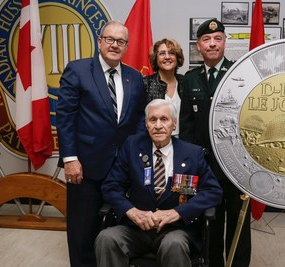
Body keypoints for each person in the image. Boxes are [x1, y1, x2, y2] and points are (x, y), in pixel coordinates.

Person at [56, 20, 146, 267]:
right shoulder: (78, 70)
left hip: (122, 169)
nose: (115, 45)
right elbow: (65, 117)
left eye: (120, 41)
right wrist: (70, 159)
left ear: (127, 46)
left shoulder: (135, 77)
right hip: (85, 166)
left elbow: (139, 118)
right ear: (99, 41)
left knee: (115, 231)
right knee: (83, 231)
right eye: (110, 39)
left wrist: (134, 155)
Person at [95, 99, 222, 267]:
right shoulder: (132, 146)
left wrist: (179, 212)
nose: (158, 125)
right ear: (146, 124)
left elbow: (213, 191)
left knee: (174, 244)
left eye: (164, 119)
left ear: (174, 124)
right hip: (136, 229)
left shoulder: (192, 153)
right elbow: (111, 186)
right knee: (106, 238)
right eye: (152, 120)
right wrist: (130, 211)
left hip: (175, 229)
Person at [179, 19, 252, 267]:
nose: (212, 44)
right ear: (198, 45)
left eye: (217, 39)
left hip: (236, 167)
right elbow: (187, 127)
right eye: (206, 40)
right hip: (205, 166)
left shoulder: (239, 74)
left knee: (238, 224)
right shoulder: (190, 80)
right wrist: (189, 166)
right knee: (208, 222)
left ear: (224, 42)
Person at [144, 38, 185, 137]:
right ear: (156, 58)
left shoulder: (186, 82)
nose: (167, 57)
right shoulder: (145, 84)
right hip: (154, 141)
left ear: (177, 58)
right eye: (162, 53)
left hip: (183, 142)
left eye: (171, 53)